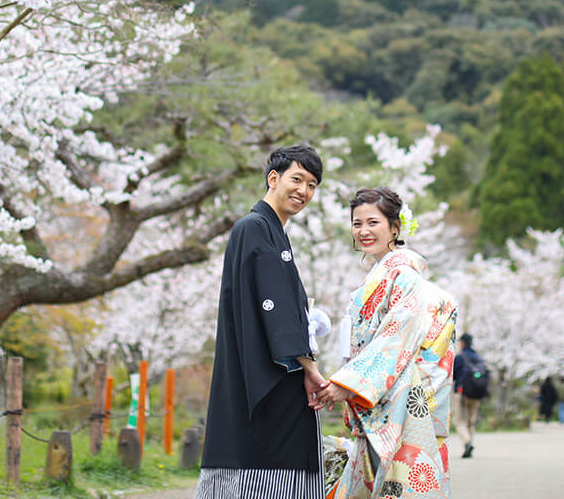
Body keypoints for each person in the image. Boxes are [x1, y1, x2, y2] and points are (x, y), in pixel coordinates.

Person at [195, 145, 328, 499]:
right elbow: (275, 308)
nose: (304, 191)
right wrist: (311, 369)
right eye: (297, 179)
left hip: (266, 368)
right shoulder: (255, 227)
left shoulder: (270, 231)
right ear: (273, 178)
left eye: (312, 185)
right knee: (269, 464)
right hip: (269, 375)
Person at [316, 188, 458, 499]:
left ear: (395, 227)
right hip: (384, 398)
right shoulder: (377, 278)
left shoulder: (405, 277)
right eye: (357, 224)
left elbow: (396, 339)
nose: (363, 231)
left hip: (401, 403)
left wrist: (350, 384)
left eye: (373, 222)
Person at [452, 333, 486, 458]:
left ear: (463, 343)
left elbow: (452, 374)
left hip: (462, 392)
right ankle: (470, 442)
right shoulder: (478, 358)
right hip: (477, 394)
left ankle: (467, 442)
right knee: (472, 420)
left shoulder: (460, 358)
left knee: (460, 420)